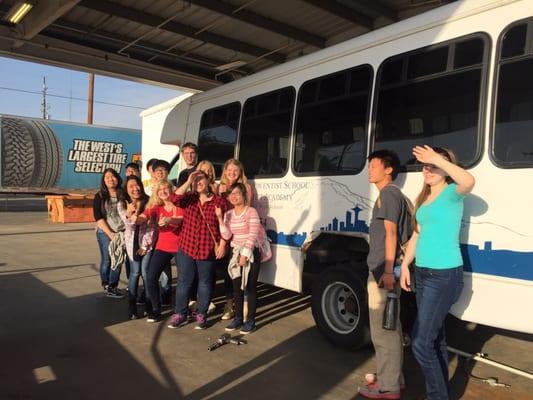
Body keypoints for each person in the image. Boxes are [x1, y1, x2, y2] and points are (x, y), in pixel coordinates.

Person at [400, 146, 475, 400]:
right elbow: (417, 235)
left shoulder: (453, 193)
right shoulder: (424, 199)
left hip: (444, 276)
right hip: (422, 273)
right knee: (435, 340)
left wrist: (435, 158)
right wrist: (404, 267)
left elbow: (469, 179)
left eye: (434, 166)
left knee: (421, 343)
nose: (428, 170)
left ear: (446, 169)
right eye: (426, 166)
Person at [358, 150, 409, 400]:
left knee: (383, 330)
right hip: (384, 269)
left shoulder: (388, 195)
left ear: (388, 170)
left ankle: (388, 388)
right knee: (391, 326)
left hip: (383, 271)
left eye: (373, 165)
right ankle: (393, 377)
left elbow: (391, 234)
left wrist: (387, 271)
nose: (369, 169)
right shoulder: (390, 195)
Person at [168, 171, 228, 330]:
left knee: (205, 283)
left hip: (207, 249)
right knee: (184, 282)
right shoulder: (189, 198)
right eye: (195, 180)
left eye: (201, 179)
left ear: (208, 181)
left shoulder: (219, 202)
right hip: (186, 247)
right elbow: (174, 198)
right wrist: (189, 180)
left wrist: (222, 244)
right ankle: (180, 313)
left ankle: (201, 313)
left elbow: (225, 226)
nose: (198, 182)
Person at [132, 180, 183, 322]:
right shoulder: (157, 207)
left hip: (180, 247)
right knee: (150, 276)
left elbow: (179, 220)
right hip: (162, 246)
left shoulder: (179, 205)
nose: (163, 192)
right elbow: (144, 216)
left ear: (171, 190)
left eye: (166, 188)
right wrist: (136, 217)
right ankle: (155, 309)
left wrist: (169, 220)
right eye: (160, 190)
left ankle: (182, 310)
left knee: (184, 280)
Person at [216, 183, 264, 335]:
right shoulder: (228, 213)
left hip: (251, 251)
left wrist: (245, 254)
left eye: (237, 193)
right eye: (231, 194)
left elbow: (253, 233)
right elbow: (227, 235)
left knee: (249, 287)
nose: (234, 196)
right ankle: (237, 318)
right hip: (235, 251)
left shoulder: (251, 211)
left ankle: (250, 321)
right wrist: (220, 219)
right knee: (236, 287)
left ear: (244, 195)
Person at [217, 158, 253, 319]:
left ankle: (243, 302)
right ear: (225, 171)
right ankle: (229, 303)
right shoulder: (220, 187)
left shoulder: (246, 187)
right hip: (224, 231)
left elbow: (246, 208)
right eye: (229, 170)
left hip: (240, 235)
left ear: (240, 173)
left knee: (243, 271)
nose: (232, 173)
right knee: (228, 271)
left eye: (235, 170)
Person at [117, 175, 154, 319]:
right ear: (126, 189)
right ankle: (132, 308)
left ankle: (149, 306)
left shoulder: (149, 201)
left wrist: (145, 246)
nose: (135, 188)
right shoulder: (122, 204)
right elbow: (129, 227)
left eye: (137, 185)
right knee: (134, 273)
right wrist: (129, 213)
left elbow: (152, 226)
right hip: (132, 242)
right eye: (131, 186)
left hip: (147, 243)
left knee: (146, 274)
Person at [93, 168, 125, 299]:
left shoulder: (124, 194)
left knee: (117, 259)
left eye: (113, 176)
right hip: (104, 232)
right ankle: (106, 284)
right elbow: (98, 217)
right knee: (107, 259)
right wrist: (110, 234)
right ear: (104, 181)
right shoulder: (99, 196)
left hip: (121, 232)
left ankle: (112, 286)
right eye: (107, 177)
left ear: (117, 178)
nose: (110, 179)